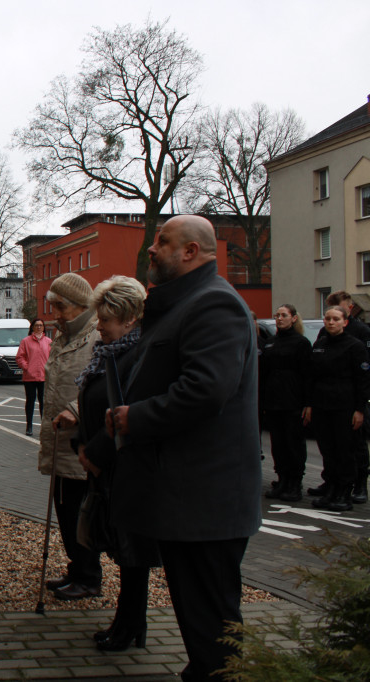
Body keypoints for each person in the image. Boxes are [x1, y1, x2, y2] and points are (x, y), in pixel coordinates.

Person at [108, 215, 262, 681]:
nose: (151, 248)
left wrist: (136, 417)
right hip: (186, 501)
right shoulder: (184, 303)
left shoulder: (214, 305)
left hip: (206, 504)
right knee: (200, 624)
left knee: (213, 628)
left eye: (163, 241)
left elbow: (205, 391)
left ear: (191, 251)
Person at [72, 276, 159, 652]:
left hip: (126, 466)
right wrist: (82, 443)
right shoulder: (109, 352)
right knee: (124, 551)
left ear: (128, 319)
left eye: (105, 319)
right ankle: (126, 623)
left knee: (132, 554)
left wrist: (94, 452)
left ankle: (130, 625)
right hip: (107, 464)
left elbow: (125, 414)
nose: (100, 326)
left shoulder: (136, 357)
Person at [39, 272, 102, 601]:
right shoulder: (62, 337)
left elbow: (101, 385)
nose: (55, 314)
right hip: (59, 440)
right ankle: (77, 569)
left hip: (80, 441)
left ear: (81, 305)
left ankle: (89, 575)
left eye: (61, 307)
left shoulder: (96, 336)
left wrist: (76, 411)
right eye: (54, 306)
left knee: (79, 512)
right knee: (65, 509)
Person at [302, 306, 370, 512]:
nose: (331, 322)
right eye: (328, 319)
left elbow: (363, 380)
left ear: (345, 322)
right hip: (322, 405)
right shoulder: (320, 345)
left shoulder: (355, 347)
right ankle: (331, 489)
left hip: (345, 406)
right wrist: (309, 404)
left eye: (336, 319)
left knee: (344, 450)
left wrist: (359, 409)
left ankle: (344, 492)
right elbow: (312, 377)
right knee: (328, 450)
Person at [260, 304, 312, 502]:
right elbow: (264, 373)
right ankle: (281, 480)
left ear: (294, 318)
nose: (279, 319)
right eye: (277, 315)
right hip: (273, 402)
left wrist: (308, 403)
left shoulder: (301, 343)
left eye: (284, 315)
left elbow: (307, 375)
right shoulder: (271, 342)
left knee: (293, 444)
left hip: (293, 402)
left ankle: (294, 483)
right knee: (278, 444)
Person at [16, 318, 51, 435]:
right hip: (30, 377)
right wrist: (27, 367)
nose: (39, 327)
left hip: (44, 377)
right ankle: (29, 426)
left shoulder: (48, 341)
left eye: (41, 325)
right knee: (30, 401)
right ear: (32, 327)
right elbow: (20, 357)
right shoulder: (26, 341)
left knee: (44, 403)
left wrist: (49, 369)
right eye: (37, 325)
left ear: (44, 327)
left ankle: (44, 427)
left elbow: (52, 358)